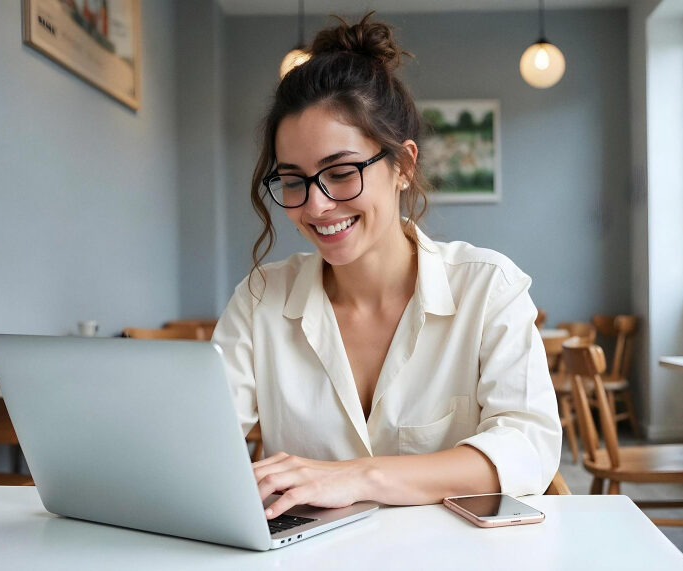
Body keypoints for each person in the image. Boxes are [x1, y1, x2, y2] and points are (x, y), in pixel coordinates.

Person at [211, 14, 561, 521]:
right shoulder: (261, 297)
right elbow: (200, 440)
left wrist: (357, 476)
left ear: (403, 166)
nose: (316, 205)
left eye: (340, 172)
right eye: (293, 180)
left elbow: (529, 446)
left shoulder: (488, 287)